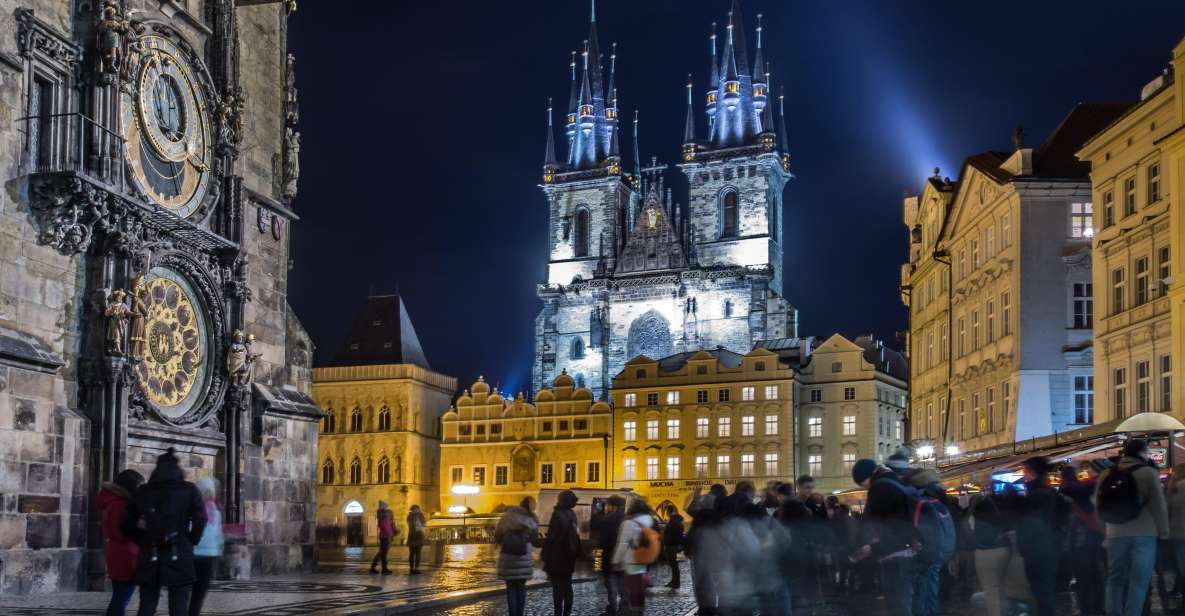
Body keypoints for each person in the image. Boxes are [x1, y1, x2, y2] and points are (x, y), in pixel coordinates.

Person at [121, 448, 206, 616]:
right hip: (179, 552)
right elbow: (200, 520)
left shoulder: (143, 491)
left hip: (149, 553)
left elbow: (125, 524)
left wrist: (142, 539)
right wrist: (190, 540)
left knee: (146, 604)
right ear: (177, 468)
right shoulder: (189, 490)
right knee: (179, 607)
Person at [1097, 439, 1168, 616]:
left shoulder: (1106, 473)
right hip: (1144, 534)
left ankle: (1114, 613)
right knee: (1139, 582)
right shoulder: (1149, 473)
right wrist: (1164, 532)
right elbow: (1159, 506)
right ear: (1142, 453)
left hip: (1115, 534)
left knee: (1115, 579)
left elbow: (1098, 504)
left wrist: (1104, 531)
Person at [849, 459, 919, 616]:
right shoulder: (897, 481)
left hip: (895, 555)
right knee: (909, 601)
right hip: (910, 551)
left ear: (866, 477)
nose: (865, 487)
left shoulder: (880, 488)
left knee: (898, 605)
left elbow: (878, 525)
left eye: (862, 484)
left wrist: (870, 547)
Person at [99, 469, 145, 616]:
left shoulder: (113, 502)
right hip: (125, 553)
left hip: (117, 551)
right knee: (121, 597)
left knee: (120, 595)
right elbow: (123, 531)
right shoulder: (121, 504)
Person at [1063, 462, 1107, 616]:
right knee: (1097, 578)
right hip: (1100, 538)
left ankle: (1090, 610)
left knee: (1086, 580)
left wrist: (1069, 471)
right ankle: (1099, 609)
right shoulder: (1104, 486)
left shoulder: (1092, 485)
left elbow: (1068, 488)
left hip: (1084, 540)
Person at [496, 497, 540, 616]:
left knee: (510, 588)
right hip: (524, 555)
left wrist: (504, 542)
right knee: (521, 588)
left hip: (508, 556)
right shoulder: (531, 518)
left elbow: (498, 534)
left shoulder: (507, 516)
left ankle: (512, 613)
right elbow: (535, 537)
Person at [613, 498, 656, 615]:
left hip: (631, 559)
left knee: (632, 589)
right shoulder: (649, 520)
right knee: (639, 588)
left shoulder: (629, 522)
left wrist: (616, 560)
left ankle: (634, 611)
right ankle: (639, 610)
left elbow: (623, 543)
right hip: (644, 558)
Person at [971, 492, 1012, 616]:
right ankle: (1005, 613)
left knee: (990, 590)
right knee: (1002, 587)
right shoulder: (998, 517)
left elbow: (973, 536)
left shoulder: (975, 519)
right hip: (1004, 551)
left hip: (985, 553)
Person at [542, 490, 581, 616]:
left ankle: (558, 613)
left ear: (561, 500)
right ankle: (567, 612)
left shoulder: (557, 514)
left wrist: (545, 553)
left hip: (557, 556)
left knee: (558, 588)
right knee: (567, 585)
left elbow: (552, 537)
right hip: (569, 555)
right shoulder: (572, 514)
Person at [189, 477, 223, 616]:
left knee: (196, 591)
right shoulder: (212, 510)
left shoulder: (213, 510)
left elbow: (216, 533)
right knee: (197, 591)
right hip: (201, 554)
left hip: (202, 554)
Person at [592, 494, 626, 615]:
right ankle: (623, 607)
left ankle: (613, 608)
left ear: (611, 505)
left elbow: (602, 541)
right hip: (624, 556)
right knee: (623, 583)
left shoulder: (608, 519)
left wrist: (597, 560)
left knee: (610, 583)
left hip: (609, 555)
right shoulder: (627, 519)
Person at [1169, 464, 1185, 597]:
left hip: (1179, 532)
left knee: (1181, 564)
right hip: (1179, 531)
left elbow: (1167, 508)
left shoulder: (1176, 487)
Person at [369, 501, 397, 574]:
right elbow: (385, 526)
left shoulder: (381, 515)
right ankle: (383, 569)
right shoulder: (384, 516)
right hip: (385, 536)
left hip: (384, 536)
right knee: (383, 554)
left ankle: (374, 567)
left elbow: (385, 526)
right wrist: (390, 535)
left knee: (382, 553)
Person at [662, 506, 685, 588]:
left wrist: (667, 541)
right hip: (673, 545)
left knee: (674, 565)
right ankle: (674, 581)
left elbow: (672, 534)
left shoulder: (673, 521)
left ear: (669, 512)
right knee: (674, 565)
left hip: (671, 545)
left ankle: (675, 582)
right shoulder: (676, 520)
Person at [406, 504, 426, 575]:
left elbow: (423, 523)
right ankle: (412, 568)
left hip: (417, 536)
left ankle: (416, 568)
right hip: (413, 536)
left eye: (417, 509)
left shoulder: (418, 515)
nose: (416, 510)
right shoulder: (411, 516)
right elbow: (412, 525)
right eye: (415, 509)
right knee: (412, 553)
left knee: (417, 553)